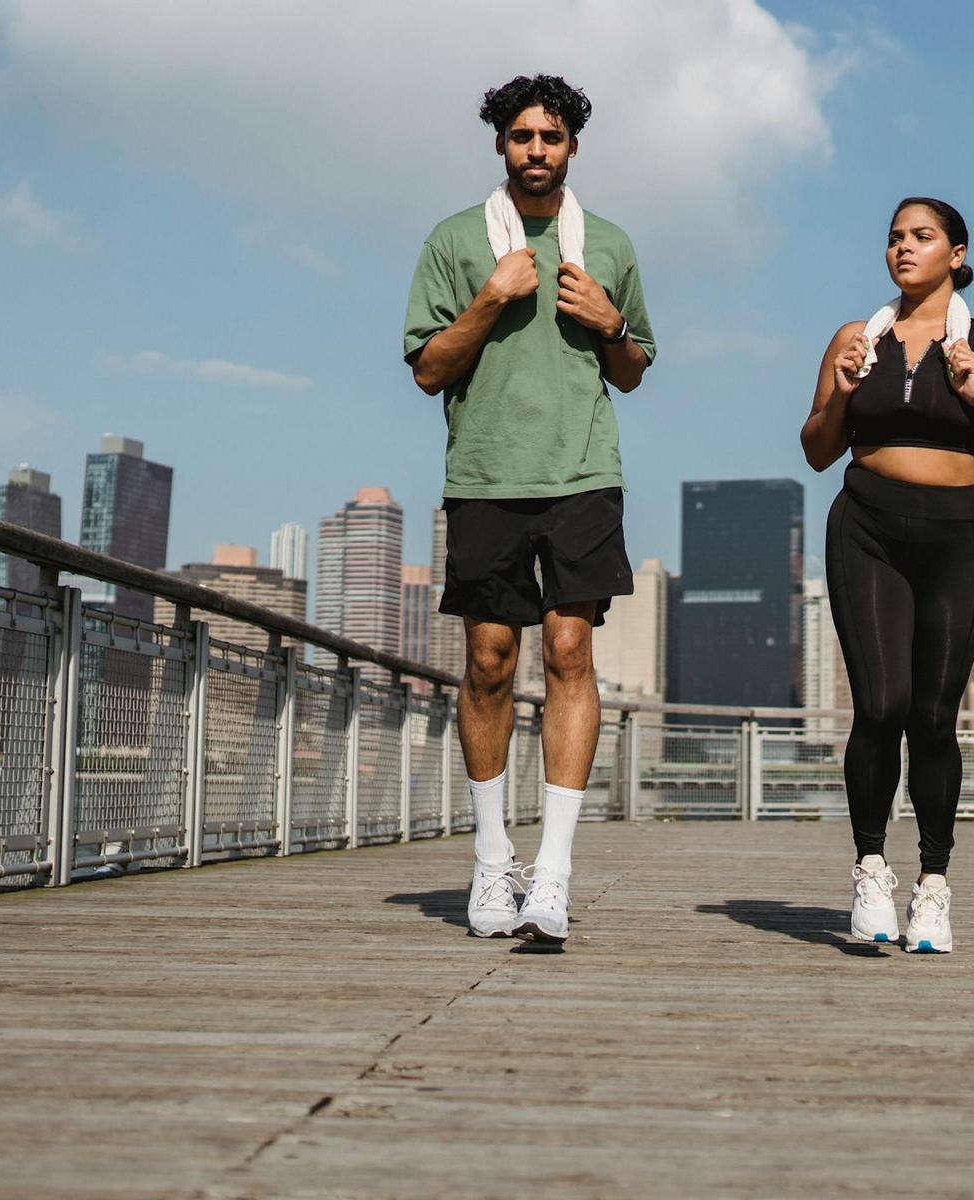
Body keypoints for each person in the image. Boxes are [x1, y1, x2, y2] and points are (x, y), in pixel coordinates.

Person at [403, 74, 656, 944]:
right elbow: (430, 369)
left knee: (572, 651)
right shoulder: (455, 241)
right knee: (487, 661)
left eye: (551, 136)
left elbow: (631, 368)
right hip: (485, 477)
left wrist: (612, 325)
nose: (536, 150)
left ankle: (552, 871)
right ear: (500, 146)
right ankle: (490, 862)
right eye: (521, 137)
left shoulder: (609, 244)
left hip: (585, 472)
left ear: (573, 147)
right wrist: (492, 297)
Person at [799, 197, 974, 953]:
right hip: (867, 524)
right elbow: (816, 449)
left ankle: (933, 888)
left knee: (934, 717)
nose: (903, 249)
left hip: (959, 533)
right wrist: (843, 390)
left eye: (921, 237)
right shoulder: (856, 337)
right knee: (880, 705)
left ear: (958, 253)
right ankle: (871, 870)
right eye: (893, 239)